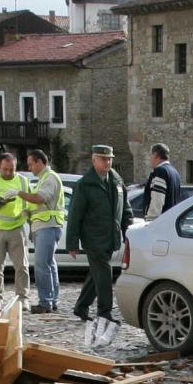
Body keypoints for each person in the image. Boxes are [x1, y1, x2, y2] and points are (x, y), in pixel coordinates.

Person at [66, 143, 129, 348]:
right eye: (103, 159)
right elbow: (75, 214)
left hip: (111, 237)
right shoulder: (85, 184)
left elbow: (125, 209)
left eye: (110, 159)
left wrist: (129, 232)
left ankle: (81, 306)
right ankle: (105, 312)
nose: (107, 162)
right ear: (94, 160)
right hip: (93, 238)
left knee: (96, 274)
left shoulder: (117, 181)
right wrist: (72, 242)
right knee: (104, 272)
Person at [0, 151, 31, 314]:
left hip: (17, 228)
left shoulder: (23, 181)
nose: (9, 173)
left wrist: (31, 223)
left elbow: (30, 204)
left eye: (12, 169)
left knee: (22, 266)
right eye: (6, 169)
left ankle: (23, 299)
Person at [24, 149, 67, 314]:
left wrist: (20, 194)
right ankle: (52, 300)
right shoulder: (44, 179)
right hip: (46, 226)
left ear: (39, 162)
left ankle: (45, 302)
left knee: (42, 265)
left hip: (47, 226)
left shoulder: (49, 178)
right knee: (50, 264)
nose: (29, 168)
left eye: (30, 164)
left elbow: (40, 199)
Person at [140, 143, 183, 219]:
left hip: (160, 222)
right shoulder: (175, 172)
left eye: (151, 155)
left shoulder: (160, 172)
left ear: (156, 155)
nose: (150, 158)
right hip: (171, 219)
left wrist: (151, 219)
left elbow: (158, 199)